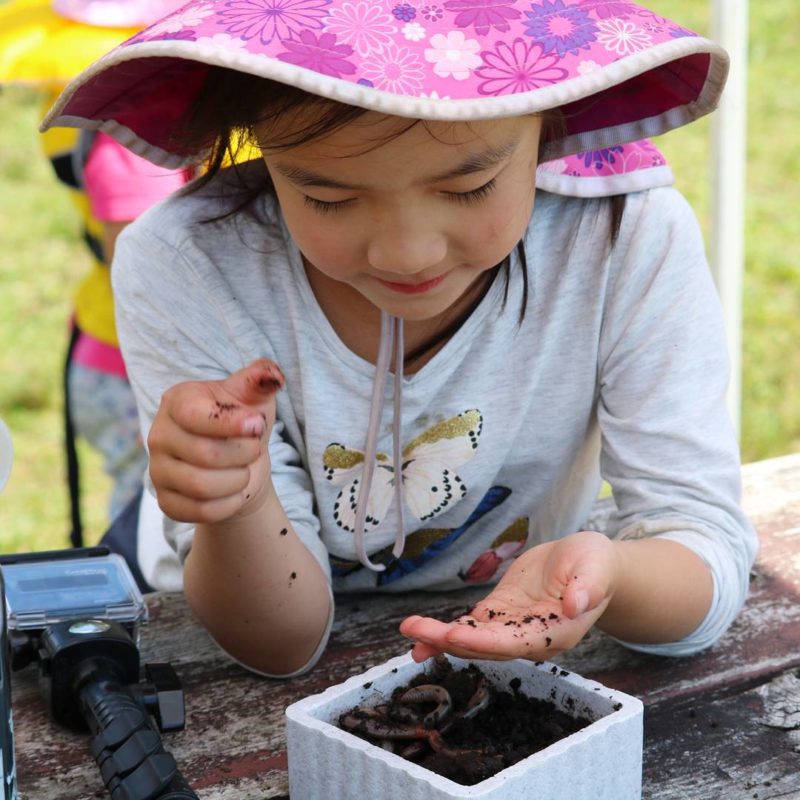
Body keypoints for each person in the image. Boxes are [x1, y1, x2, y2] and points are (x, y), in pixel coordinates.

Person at [43, 0, 758, 677]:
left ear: (553, 119)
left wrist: (614, 577)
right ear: (254, 139)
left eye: (469, 187)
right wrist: (241, 496)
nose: (406, 254)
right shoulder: (186, 264)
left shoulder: (623, 235)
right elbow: (278, 644)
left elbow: (701, 550)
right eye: (328, 197)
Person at [0, 0, 188, 562]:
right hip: (139, 366)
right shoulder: (134, 133)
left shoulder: (93, 94)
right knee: (153, 527)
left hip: (104, 346)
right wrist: (167, 390)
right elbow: (147, 276)